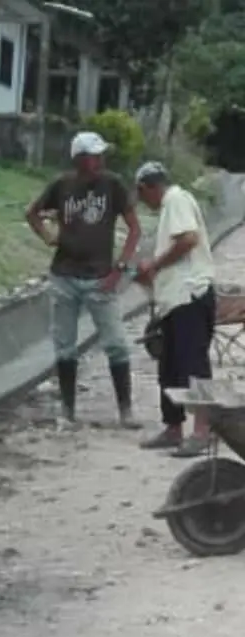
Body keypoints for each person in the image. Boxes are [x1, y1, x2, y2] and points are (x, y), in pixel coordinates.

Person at [25, 131, 143, 427]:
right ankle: (68, 410)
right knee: (65, 345)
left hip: (100, 277)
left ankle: (126, 410)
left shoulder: (112, 184)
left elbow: (134, 229)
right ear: (80, 159)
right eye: (94, 155)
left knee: (115, 343)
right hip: (64, 275)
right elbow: (32, 212)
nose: (100, 160)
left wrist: (119, 268)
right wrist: (48, 236)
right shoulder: (62, 185)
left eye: (101, 155)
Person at [133, 162, 216, 457]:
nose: (144, 201)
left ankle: (202, 430)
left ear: (148, 188)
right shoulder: (170, 206)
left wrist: (155, 265)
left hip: (189, 295)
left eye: (142, 195)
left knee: (193, 364)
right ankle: (173, 427)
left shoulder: (176, 199)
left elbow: (188, 239)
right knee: (169, 366)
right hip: (174, 299)